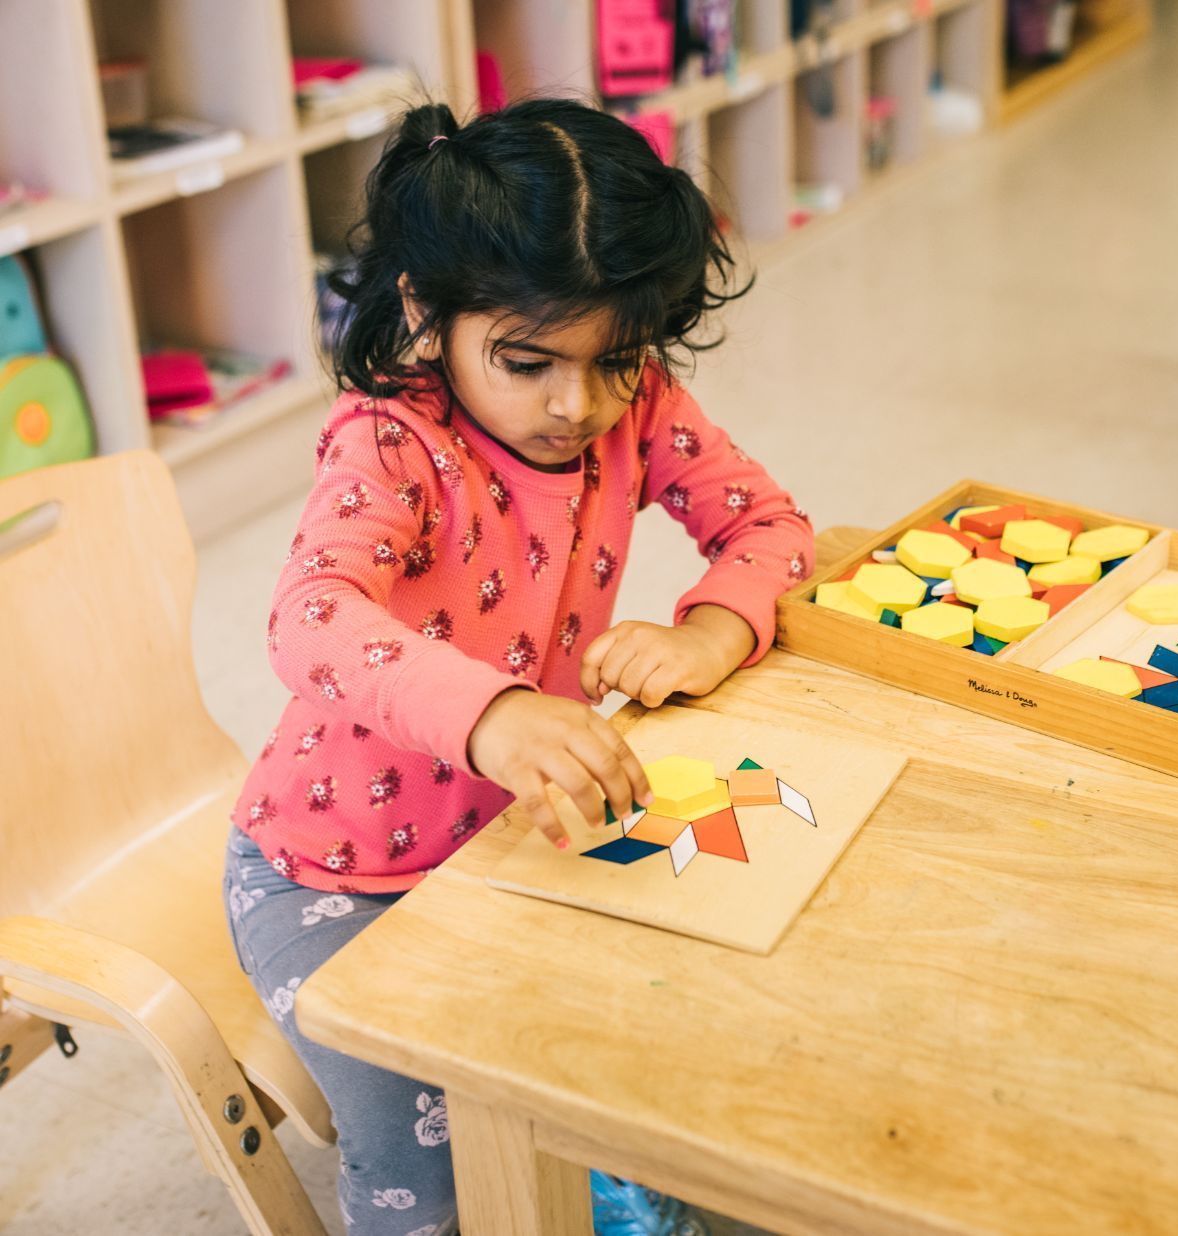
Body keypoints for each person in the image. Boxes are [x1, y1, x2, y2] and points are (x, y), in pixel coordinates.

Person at [222, 96, 813, 1236]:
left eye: (612, 361)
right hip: (331, 873)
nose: (573, 405)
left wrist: (708, 634)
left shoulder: (631, 405)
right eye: (527, 360)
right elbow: (311, 614)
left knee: (633, 1053)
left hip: (510, 835)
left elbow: (773, 530)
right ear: (424, 312)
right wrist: (488, 714)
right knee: (425, 1164)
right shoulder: (391, 441)